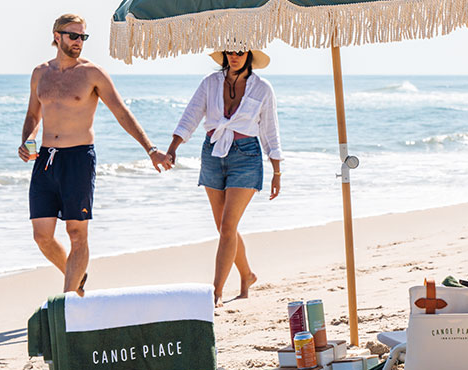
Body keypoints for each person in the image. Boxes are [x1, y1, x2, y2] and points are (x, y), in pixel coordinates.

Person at [17, 14, 171, 296]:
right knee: (42, 236)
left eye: (82, 37)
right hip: (46, 160)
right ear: (57, 36)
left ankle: (66, 304)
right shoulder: (40, 73)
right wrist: (26, 139)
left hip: (78, 159)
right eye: (73, 36)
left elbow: (122, 112)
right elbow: (32, 114)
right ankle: (75, 275)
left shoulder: (92, 73)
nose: (79, 42)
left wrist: (150, 149)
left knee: (77, 234)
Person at [165, 49, 282, 306]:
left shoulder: (263, 88)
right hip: (212, 154)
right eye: (230, 51)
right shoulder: (210, 82)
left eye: (240, 52)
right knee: (223, 228)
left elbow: (270, 131)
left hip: (246, 158)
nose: (234, 56)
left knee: (228, 227)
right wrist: (173, 148)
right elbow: (191, 115)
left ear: (249, 55)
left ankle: (215, 292)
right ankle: (247, 275)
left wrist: (277, 171)